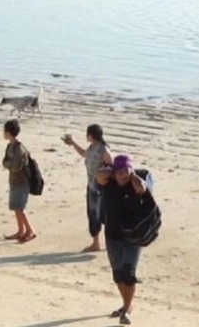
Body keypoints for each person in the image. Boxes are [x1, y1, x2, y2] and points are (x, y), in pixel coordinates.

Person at [96, 154, 149, 326]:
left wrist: (130, 174)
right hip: (112, 236)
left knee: (129, 274)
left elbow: (142, 189)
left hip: (133, 237)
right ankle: (126, 303)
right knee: (118, 275)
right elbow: (99, 175)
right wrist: (114, 172)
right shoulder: (109, 184)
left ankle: (126, 308)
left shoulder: (135, 184)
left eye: (126, 170)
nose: (122, 174)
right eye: (120, 171)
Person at [61, 124, 114, 252]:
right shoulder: (92, 147)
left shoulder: (104, 150)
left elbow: (112, 168)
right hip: (91, 186)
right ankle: (96, 243)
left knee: (105, 215)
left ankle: (112, 242)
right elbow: (84, 154)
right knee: (92, 214)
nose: (86, 136)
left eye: (87, 134)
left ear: (91, 135)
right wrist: (73, 143)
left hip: (102, 188)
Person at [1, 119, 36, 243]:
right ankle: (21, 230)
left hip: (21, 182)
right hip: (15, 181)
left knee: (19, 208)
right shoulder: (11, 146)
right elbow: (6, 162)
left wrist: (8, 164)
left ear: (9, 133)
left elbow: (15, 166)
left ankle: (30, 230)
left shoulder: (18, 148)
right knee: (16, 207)